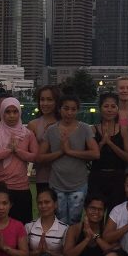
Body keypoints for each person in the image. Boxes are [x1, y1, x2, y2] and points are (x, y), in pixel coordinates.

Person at [40, 94, 100, 224]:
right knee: (59, 222)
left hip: (78, 184)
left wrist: (70, 151)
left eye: (73, 109)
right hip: (57, 184)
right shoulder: (51, 130)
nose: (69, 112)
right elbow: (40, 157)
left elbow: (95, 153)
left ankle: (73, 244)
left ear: (77, 110)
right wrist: (61, 152)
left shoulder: (84, 128)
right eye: (66, 108)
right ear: (60, 109)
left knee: (75, 221)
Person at [0, 96, 38, 222]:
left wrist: (17, 151)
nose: (11, 115)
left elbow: (35, 157)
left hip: (22, 187)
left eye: (15, 111)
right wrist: (7, 152)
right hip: (1, 186)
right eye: (7, 112)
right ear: (1, 113)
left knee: (22, 226)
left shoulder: (27, 134)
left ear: (19, 112)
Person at [89, 91, 128, 212]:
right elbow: (90, 156)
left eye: (113, 106)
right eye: (106, 106)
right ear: (100, 108)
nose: (109, 110)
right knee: (96, 214)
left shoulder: (122, 129)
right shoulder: (92, 129)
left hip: (118, 178)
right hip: (97, 177)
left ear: (118, 109)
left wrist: (110, 143)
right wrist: (102, 143)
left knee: (115, 215)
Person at [28, 84, 61, 194]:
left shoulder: (64, 123)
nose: (45, 103)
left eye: (49, 100)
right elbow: (33, 155)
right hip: (42, 178)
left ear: (57, 101)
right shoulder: (33, 125)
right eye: (42, 100)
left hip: (64, 177)